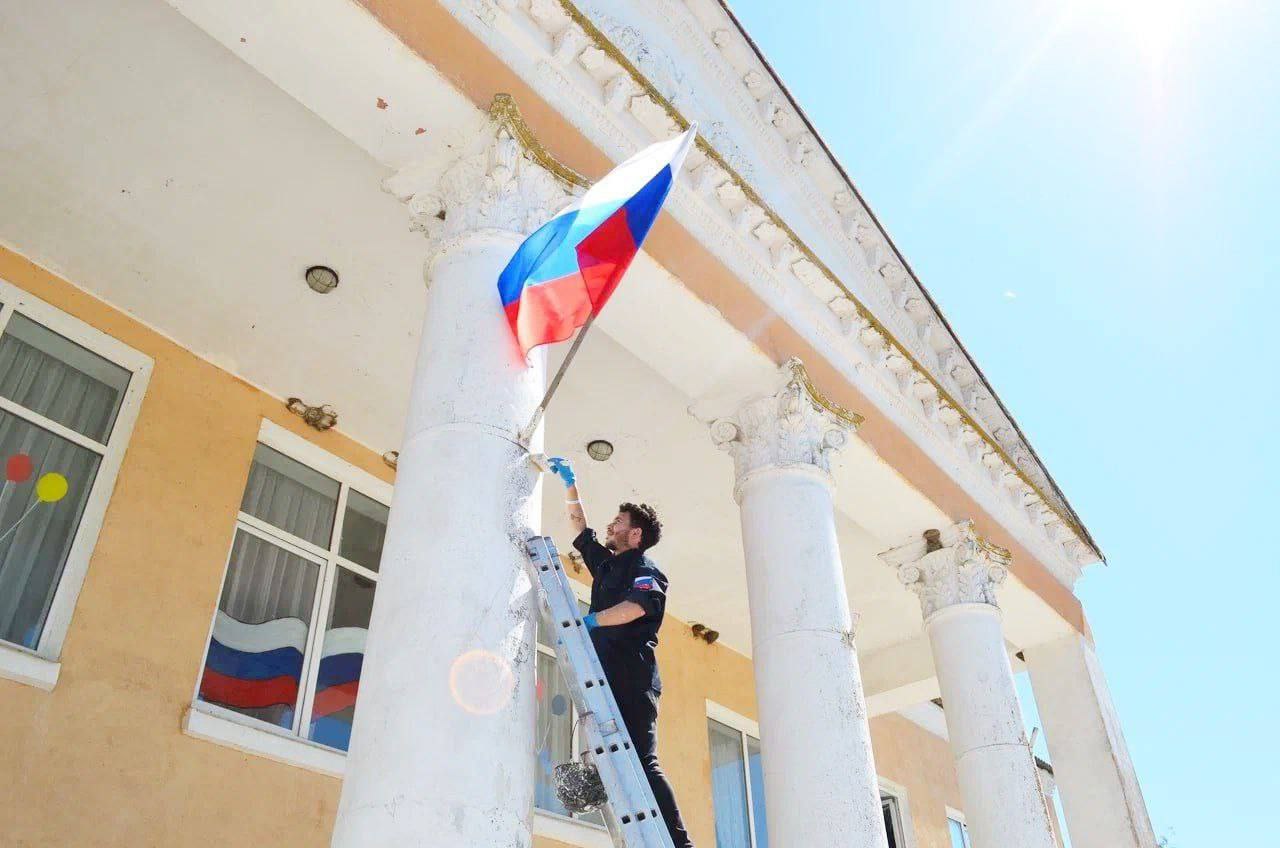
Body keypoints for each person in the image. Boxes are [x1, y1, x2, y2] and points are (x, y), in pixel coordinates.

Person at [546, 455, 694, 848]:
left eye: (619, 522)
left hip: (632, 676)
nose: (611, 526)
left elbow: (637, 608)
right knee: (613, 758)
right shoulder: (609, 566)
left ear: (636, 534)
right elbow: (581, 529)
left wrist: (590, 622)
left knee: (643, 761)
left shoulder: (645, 568)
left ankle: (680, 844)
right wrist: (570, 485)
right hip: (606, 674)